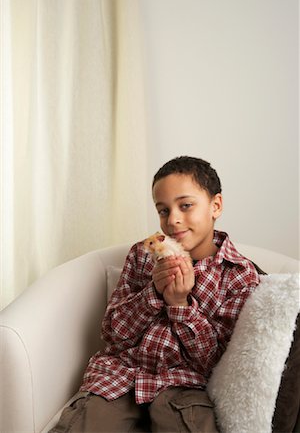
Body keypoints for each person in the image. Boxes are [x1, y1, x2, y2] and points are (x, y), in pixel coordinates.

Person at [50, 156, 260, 433]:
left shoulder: (240, 275)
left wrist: (180, 305)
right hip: (119, 378)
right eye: (163, 210)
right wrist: (153, 293)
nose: (172, 220)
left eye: (185, 206)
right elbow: (113, 334)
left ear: (216, 206)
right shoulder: (142, 254)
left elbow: (214, 363)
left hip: (186, 387)